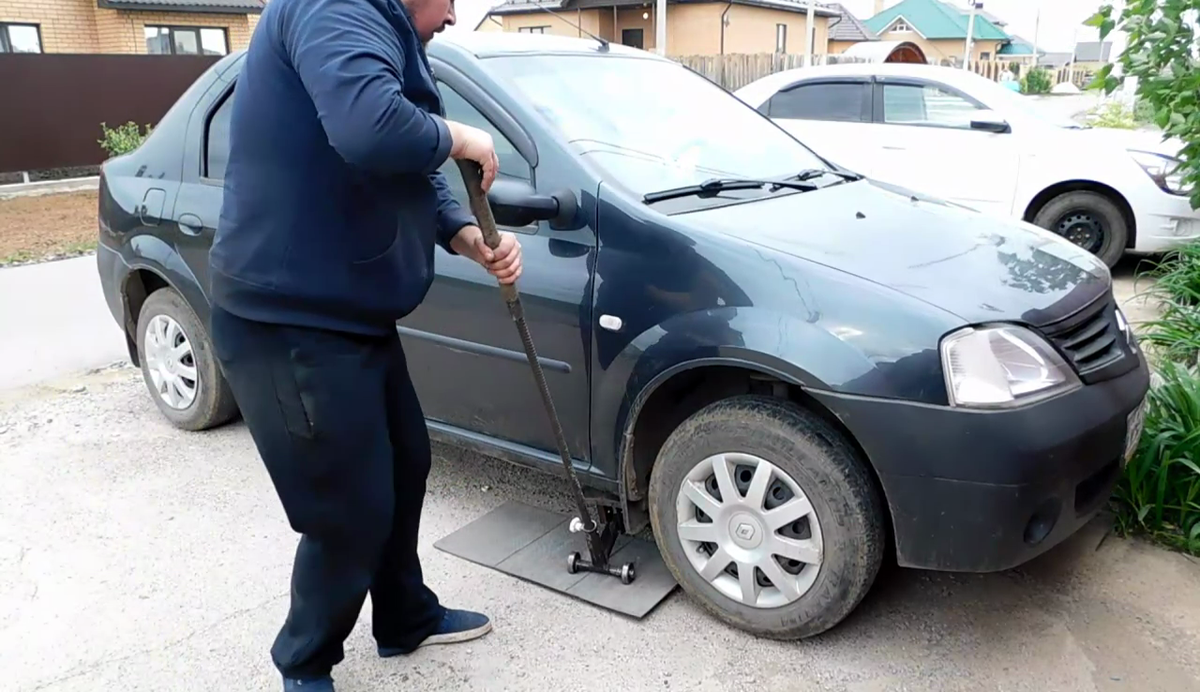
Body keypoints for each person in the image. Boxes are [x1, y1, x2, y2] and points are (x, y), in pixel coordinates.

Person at [205, 0, 522, 688]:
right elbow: (371, 129)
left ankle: (403, 616)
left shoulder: (383, 25)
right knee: (346, 506)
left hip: (351, 313)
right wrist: (463, 137)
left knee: (405, 467)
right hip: (287, 319)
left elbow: (406, 156)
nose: (456, 15)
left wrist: (462, 232)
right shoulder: (335, 5)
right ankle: (304, 660)